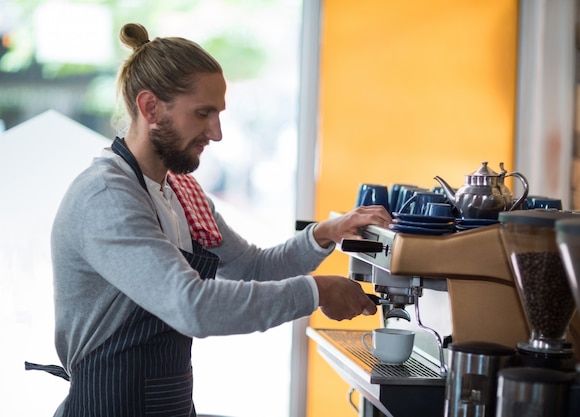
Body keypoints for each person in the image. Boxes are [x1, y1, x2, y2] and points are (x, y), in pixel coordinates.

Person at [36, 22, 392, 416]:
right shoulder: (108, 197)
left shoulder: (181, 194)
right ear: (150, 108)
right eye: (203, 114)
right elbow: (192, 306)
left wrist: (326, 233)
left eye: (218, 114)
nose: (217, 133)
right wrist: (316, 292)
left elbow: (254, 267)